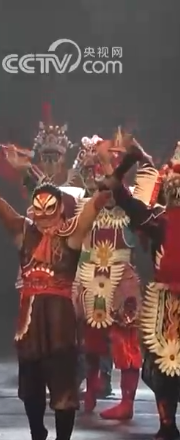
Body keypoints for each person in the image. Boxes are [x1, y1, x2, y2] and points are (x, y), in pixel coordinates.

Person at [0, 146, 107, 440]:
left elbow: (96, 204)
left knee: (63, 385)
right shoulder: (24, 231)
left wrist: (111, 170)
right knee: (30, 386)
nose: (43, 215)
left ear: (61, 208)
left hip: (60, 322)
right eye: (38, 208)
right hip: (29, 320)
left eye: (49, 208)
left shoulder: (72, 234)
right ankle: (37, 432)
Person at [69, 131, 150, 419]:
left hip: (120, 278)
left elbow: (119, 190)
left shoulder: (130, 206)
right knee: (88, 340)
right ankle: (90, 390)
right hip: (89, 274)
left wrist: (106, 160)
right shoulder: (85, 206)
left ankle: (127, 402)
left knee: (124, 340)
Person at [105, 141, 180, 440]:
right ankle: (167, 424)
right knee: (162, 365)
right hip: (166, 305)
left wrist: (131, 162)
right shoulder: (158, 221)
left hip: (166, 304)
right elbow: (119, 192)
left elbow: (118, 191)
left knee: (163, 366)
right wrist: (131, 161)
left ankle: (167, 425)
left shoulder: (158, 221)